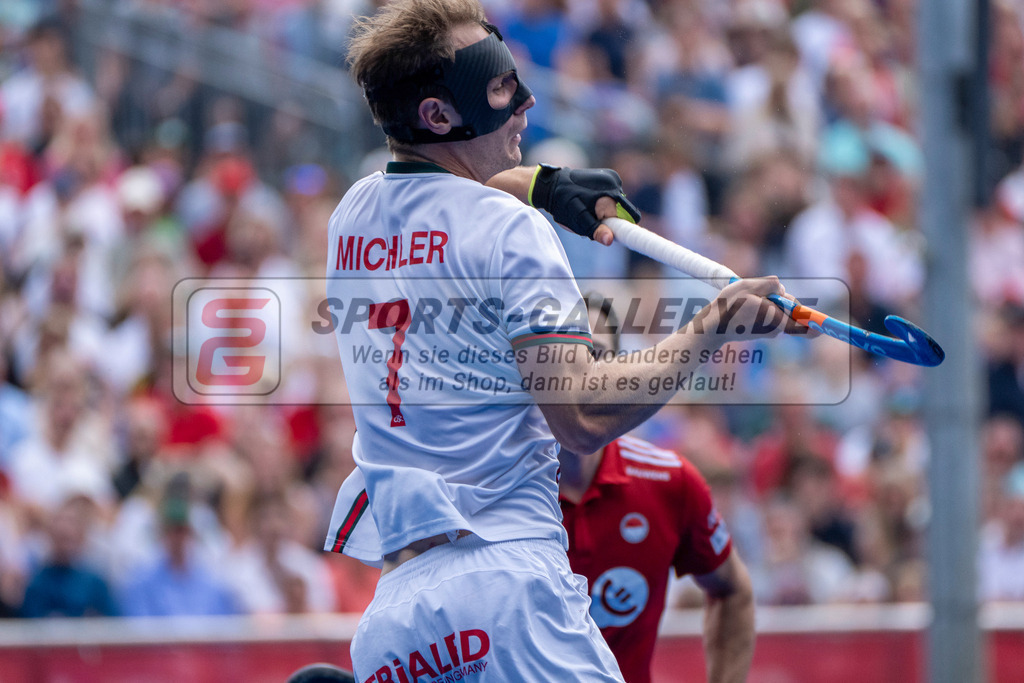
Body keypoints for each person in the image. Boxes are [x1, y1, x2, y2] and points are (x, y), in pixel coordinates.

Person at [325, 1, 788, 679]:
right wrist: (710, 325)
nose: (525, 102)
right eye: (499, 88)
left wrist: (541, 183)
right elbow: (583, 415)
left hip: (398, 617)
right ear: (437, 114)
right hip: (510, 591)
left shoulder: (353, 217)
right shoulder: (508, 231)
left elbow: (439, 188)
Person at [558, 296, 755, 683]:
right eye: (569, 354)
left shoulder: (670, 483)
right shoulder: (489, 489)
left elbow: (732, 591)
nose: (582, 373)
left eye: (596, 355)